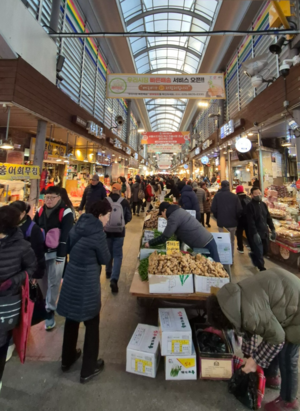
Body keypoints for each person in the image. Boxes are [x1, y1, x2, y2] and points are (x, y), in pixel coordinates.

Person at [207, 268, 300, 411]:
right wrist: (248, 357)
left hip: (296, 312)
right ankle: (271, 376)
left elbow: (277, 339)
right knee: (272, 338)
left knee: (287, 354)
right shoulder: (234, 298)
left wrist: (255, 360)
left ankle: (288, 402)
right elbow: (247, 331)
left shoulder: (251, 314)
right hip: (288, 294)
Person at [57, 200, 111, 384]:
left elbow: (69, 247)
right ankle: (88, 368)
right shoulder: (98, 234)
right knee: (92, 322)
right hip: (87, 282)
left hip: (72, 277)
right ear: (100, 215)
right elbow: (105, 258)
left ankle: (67, 358)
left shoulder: (77, 226)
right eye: (108, 216)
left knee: (71, 319)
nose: (108, 221)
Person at [0, 206, 36, 392]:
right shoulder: (23, 245)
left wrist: (12, 281)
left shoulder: (22, 246)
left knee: (1, 340)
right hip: (9, 305)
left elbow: (32, 269)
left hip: (8, 303)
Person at [34, 186, 74, 330]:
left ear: (59, 198)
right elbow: (33, 229)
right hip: (41, 253)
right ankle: (45, 302)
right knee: (41, 281)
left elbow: (66, 235)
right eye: (46, 197)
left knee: (54, 282)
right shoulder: (40, 211)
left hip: (57, 253)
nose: (49, 200)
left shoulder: (66, 212)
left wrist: (61, 255)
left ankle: (50, 310)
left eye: (52, 198)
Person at [145, 202, 220, 262]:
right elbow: (180, 234)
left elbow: (164, 237)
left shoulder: (173, 217)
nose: (163, 217)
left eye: (162, 214)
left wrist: (150, 243)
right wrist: (178, 250)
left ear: (164, 210)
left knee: (216, 269)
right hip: (206, 240)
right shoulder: (178, 211)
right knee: (213, 267)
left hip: (204, 243)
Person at [104, 183, 132, 293]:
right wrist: (122, 223)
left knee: (108, 252)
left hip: (107, 232)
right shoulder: (124, 202)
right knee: (118, 255)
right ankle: (114, 279)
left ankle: (107, 271)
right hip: (120, 233)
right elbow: (129, 216)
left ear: (111, 189)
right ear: (120, 191)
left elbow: (100, 215)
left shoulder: (105, 201)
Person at [10, 201, 46, 280]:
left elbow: (38, 253)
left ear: (23, 213)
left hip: (26, 272)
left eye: (14, 213)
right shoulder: (10, 226)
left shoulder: (33, 229)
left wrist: (36, 275)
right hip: (12, 270)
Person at [211, 180, 242, 262]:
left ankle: (224, 258)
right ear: (229, 186)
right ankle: (230, 258)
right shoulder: (235, 196)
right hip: (232, 223)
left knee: (223, 241)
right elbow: (239, 210)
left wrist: (218, 217)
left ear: (221, 186)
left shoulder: (217, 196)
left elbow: (213, 209)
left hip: (222, 224)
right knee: (231, 241)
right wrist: (236, 218)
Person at [246, 186, 276, 271]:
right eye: (256, 194)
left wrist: (272, 229)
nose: (258, 195)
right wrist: (255, 233)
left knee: (265, 250)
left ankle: (253, 255)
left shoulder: (263, 205)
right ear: (251, 195)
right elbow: (250, 221)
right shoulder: (250, 206)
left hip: (264, 231)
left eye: (259, 193)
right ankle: (261, 268)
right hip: (256, 232)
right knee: (259, 251)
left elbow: (268, 217)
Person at [235, 186, 251, 254]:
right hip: (248, 218)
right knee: (249, 233)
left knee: (239, 233)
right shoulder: (248, 198)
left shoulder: (235, 198)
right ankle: (250, 246)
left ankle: (240, 248)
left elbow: (235, 209)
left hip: (239, 219)